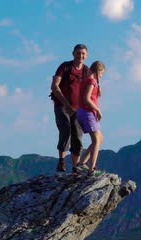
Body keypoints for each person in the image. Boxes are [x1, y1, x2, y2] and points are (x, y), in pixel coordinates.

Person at [50, 44, 89, 173]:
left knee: (77, 136)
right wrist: (66, 104)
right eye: (78, 53)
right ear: (73, 53)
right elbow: (55, 86)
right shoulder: (65, 67)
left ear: (86, 55)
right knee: (65, 129)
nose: (80, 56)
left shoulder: (86, 71)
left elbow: (91, 90)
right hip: (62, 105)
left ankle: (75, 167)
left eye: (83, 53)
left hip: (79, 109)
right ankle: (61, 161)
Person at [75, 60, 105, 175]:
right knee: (96, 140)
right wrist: (97, 110)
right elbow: (87, 99)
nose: (101, 76)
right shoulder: (91, 81)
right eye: (101, 74)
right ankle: (92, 169)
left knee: (100, 139)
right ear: (98, 71)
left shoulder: (87, 81)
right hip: (87, 112)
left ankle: (81, 163)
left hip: (85, 112)